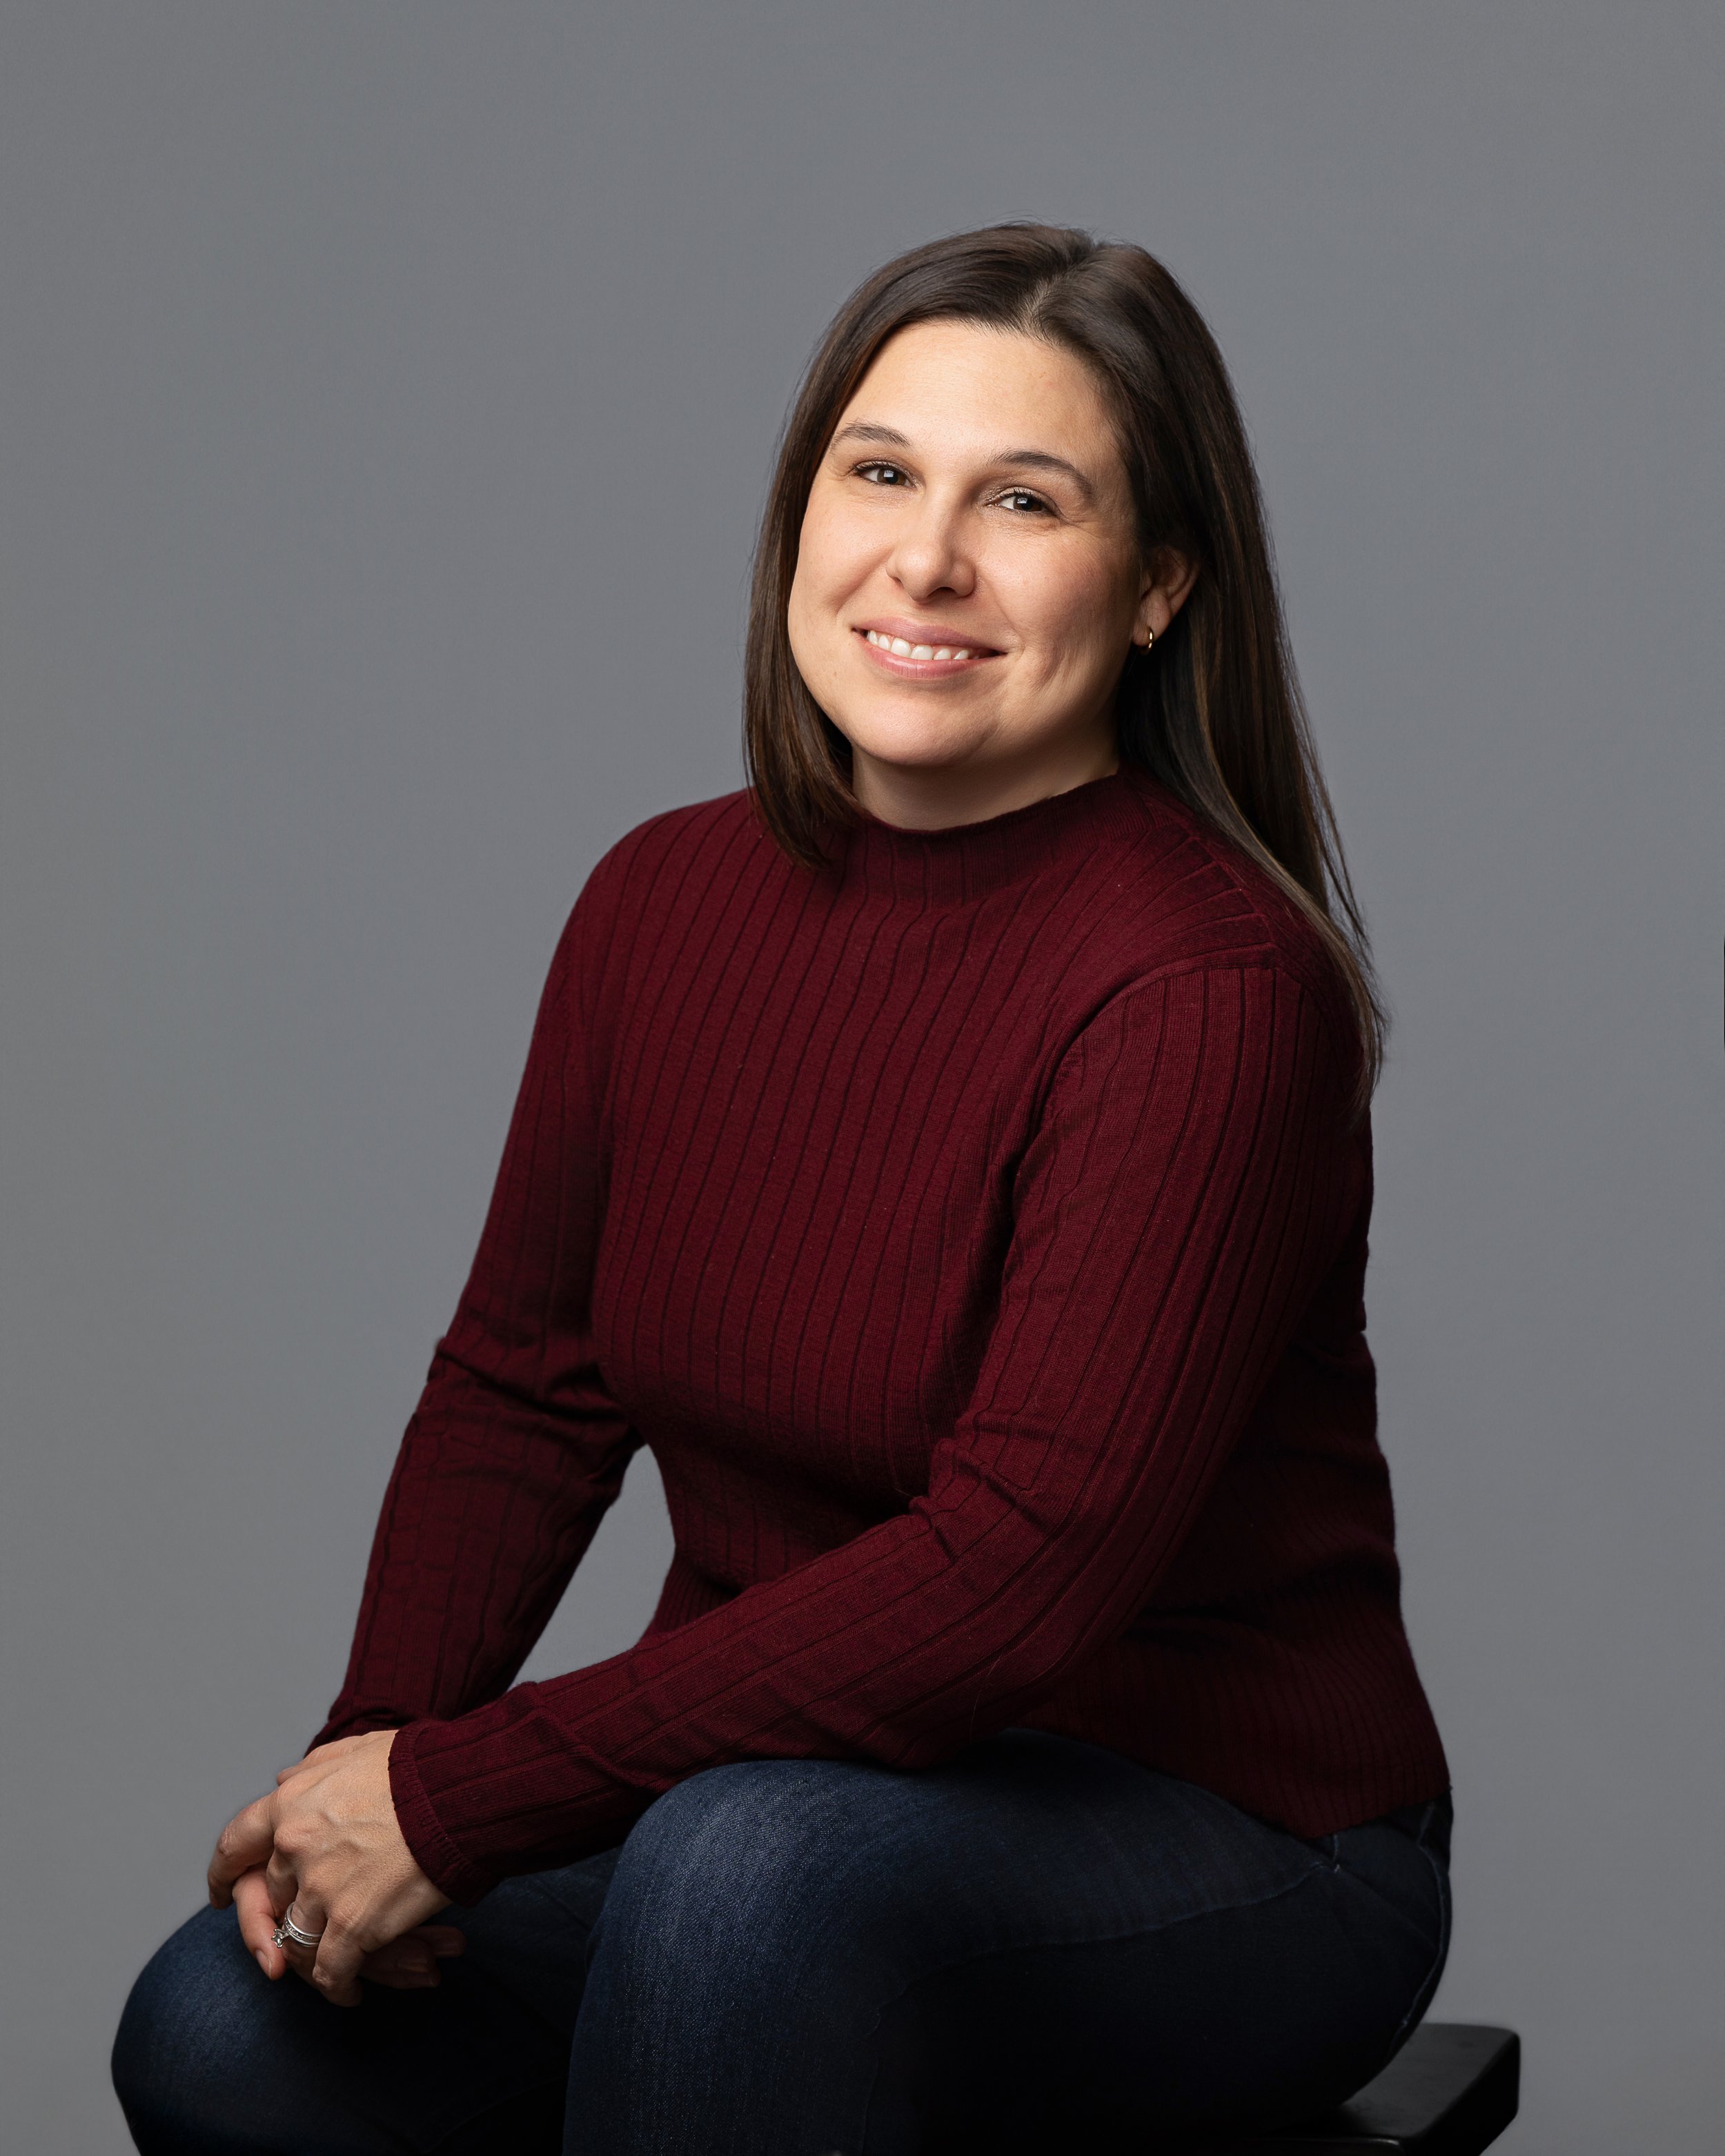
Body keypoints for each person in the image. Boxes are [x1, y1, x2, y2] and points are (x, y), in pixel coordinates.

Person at [112, 223, 1452, 2156]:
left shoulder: (1205, 986)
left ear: (1156, 587)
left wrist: (470, 1802)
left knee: (748, 1879)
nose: (927, 558)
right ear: (801, 516)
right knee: (227, 2031)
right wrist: (371, 1762)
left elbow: (1013, 1575)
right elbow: (523, 1386)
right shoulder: (658, 901)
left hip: (1219, 1843)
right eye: (880, 471)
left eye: (1026, 500)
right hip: (765, 1807)